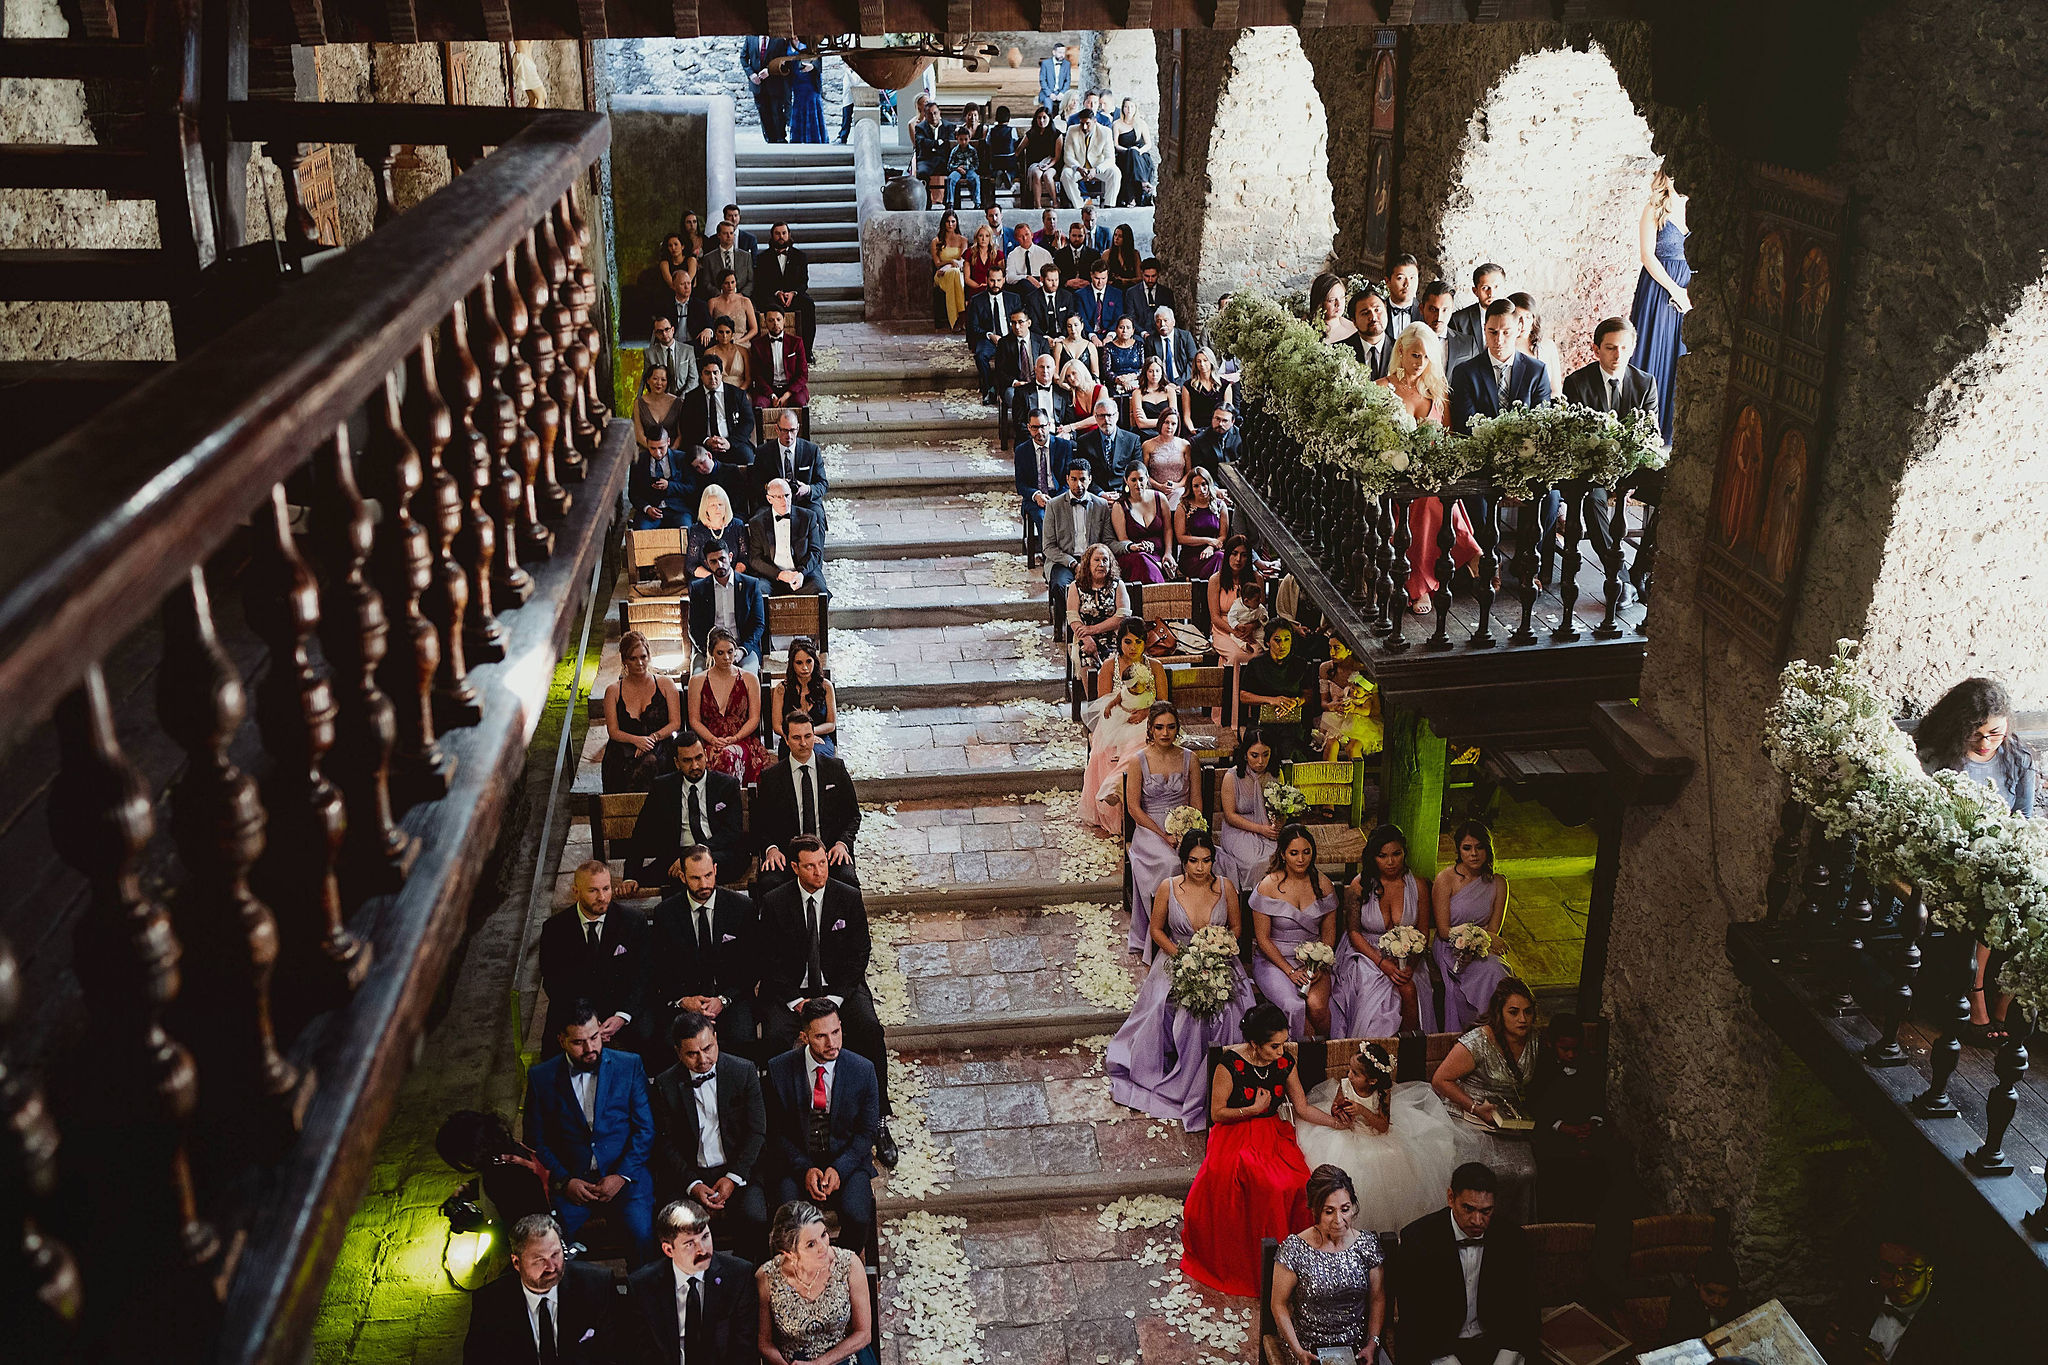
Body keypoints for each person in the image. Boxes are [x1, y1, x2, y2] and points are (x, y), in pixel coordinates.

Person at [1180, 1003, 1345, 1297]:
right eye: (1273, 1047)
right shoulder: (1229, 1065)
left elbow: (1302, 1108)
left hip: (1272, 1133)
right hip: (1235, 1133)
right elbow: (1217, 1113)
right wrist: (1252, 1109)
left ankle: (1293, 1265)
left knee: (1297, 1183)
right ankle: (1258, 1265)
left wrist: (1336, 1124)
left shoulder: (1284, 1063)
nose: (1280, 1052)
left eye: (1283, 1045)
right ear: (1254, 1044)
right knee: (1263, 1184)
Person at [1915, 676, 2038, 1043]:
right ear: (1959, 728)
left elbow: (2024, 820)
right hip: (1955, 856)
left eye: (1995, 734)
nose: (1986, 744)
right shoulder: (1937, 759)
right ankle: (1978, 992)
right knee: (1993, 891)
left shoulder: (2018, 758)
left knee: (2030, 893)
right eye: (1976, 734)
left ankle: (2009, 996)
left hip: (2004, 852)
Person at [1109, 830, 1256, 1125]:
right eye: (1193, 861)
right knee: (1185, 1009)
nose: (1200, 868)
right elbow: (1156, 930)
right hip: (1178, 958)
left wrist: (1219, 947)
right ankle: (1183, 1077)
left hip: (1219, 958)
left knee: (1229, 1009)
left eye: (1206, 861)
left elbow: (1237, 928)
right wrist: (1182, 957)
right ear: (1183, 861)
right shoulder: (1168, 887)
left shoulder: (1226, 888)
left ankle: (1223, 1077)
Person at [525, 1002, 657, 1264]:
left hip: (626, 1178)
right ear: (561, 1040)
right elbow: (535, 1140)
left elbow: (645, 1129)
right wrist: (565, 1181)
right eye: (579, 1042)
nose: (590, 1049)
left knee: (643, 1235)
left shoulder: (629, 1065)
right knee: (553, 1244)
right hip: (573, 1184)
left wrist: (621, 1175)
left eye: (594, 1038)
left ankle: (641, 1298)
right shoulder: (541, 1078)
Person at [1297, 1043, 1460, 1236]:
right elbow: (1335, 1106)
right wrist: (1340, 1113)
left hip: (1374, 1135)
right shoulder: (1345, 1085)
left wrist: (1361, 1110)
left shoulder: (1383, 1093)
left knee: (1388, 1168)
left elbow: (1383, 1126)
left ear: (1372, 1081)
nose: (1349, 1075)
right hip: (1348, 1133)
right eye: (1350, 1070)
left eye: (1355, 1073)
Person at [762, 1002, 882, 1253]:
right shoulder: (779, 1070)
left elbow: (866, 1132)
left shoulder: (863, 1070)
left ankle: (840, 1266)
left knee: (858, 1216)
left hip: (846, 1160)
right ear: (804, 1036)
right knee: (788, 1219)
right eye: (821, 1036)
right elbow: (775, 1132)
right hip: (796, 1161)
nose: (832, 1043)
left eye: (836, 1032)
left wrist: (840, 1168)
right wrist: (804, 1168)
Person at [1390, 1162, 1539, 1365]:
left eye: (1486, 1211)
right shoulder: (1418, 1239)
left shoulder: (1513, 1239)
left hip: (1495, 1345)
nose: (1477, 1220)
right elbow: (1415, 1319)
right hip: (1436, 1348)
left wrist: (1505, 1360)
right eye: (1468, 1209)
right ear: (1451, 1198)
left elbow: (1525, 1310)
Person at [647, 1019, 769, 1261]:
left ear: (715, 1037)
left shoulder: (742, 1071)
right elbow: (665, 1143)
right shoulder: (665, 1083)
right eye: (692, 1054)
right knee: (674, 1225)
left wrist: (733, 1178)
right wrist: (693, 1185)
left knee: (755, 1217)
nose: (702, 1060)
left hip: (737, 1170)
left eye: (708, 1048)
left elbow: (756, 1132)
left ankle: (746, 1281)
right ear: (678, 1052)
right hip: (689, 1175)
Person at [1433, 978, 1541, 1221]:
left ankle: (1512, 1232)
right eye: (1513, 1012)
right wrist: (1474, 1107)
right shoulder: (1478, 1041)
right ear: (1499, 1013)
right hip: (1469, 1114)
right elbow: (1440, 1080)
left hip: (1506, 1117)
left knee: (1526, 1172)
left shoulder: (1534, 1039)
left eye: (1527, 1012)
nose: (1522, 1019)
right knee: (1484, 1176)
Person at [1566, 317, 1660, 588]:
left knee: (1669, 496)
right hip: (1592, 470)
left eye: (1623, 347)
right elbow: (1579, 440)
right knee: (1592, 501)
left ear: (1632, 348)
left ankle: (1639, 570)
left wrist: (1628, 479)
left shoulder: (1646, 383)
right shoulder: (1577, 383)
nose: (1618, 355)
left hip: (1634, 469)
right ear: (1596, 350)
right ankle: (1617, 574)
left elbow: (1648, 437)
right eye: (1610, 348)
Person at [1269, 1165, 1390, 1365]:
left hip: (1357, 1349)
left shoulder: (1366, 1245)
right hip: (1308, 1349)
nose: (1339, 1220)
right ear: (1315, 1211)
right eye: (1329, 1211)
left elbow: (1378, 1298)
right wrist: (1297, 1350)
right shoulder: (1294, 1248)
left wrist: (1372, 1343)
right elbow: (1278, 1304)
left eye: (1345, 1209)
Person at [644, 847, 758, 1055]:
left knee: (743, 1040)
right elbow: (659, 968)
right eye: (695, 878)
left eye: (708, 875)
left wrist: (723, 1000)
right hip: (687, 1000)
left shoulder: (742, 907)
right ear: (682, 877)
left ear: (715, 869)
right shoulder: (666, 913)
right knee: (669, 1045)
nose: (704, 884)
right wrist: (683, 1000)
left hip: (730, 997)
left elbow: (751, 965)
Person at [462, 1212, 615, 1365]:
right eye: (539, 1259)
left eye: (555, 1254)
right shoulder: (490, 1302)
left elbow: (617, 1351)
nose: (551, 1267)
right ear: (516, 1262)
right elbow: (477, 1358)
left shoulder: (596, 1284)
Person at [621, 1198, 761, 1365]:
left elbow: (744, 1351)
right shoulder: (642, 1286)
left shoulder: (739, 1276)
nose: (702, 1249)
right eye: (689, 1244)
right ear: (668, 1250)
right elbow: (640, 1353)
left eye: (705, 1237)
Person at [1331, 824, 1436, 1038]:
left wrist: (1410, 965)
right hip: (1365, 952)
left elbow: (1423, 933)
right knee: (1376, 1000)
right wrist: (1383, 964)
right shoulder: (1359, 885)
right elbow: (1353, 933)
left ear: (1404, 853)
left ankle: (1410, 1048)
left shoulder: (1418, 886)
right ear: (1373, 857)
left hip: (1408, 955)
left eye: (1396, 854)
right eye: (1382, 856)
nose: (1390, 862)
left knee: (1410, 988)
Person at [1117, 702, 1201, 955]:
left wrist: (1188, 831)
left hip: (1185, 827)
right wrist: (1163, 834)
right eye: (1159, 727)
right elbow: (1133, 808)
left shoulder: (1190, 759)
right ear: (1150, 730)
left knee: (1204, 860)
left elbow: (1196, 803)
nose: (1165, 733)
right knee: (1170, 864)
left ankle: (1194, 928)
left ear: (1178, 729)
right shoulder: (1138, 761)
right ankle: (1163, 933)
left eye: (1171, 727)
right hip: (1149, 829)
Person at [538, 862, 648, 1053]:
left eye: (606, 888)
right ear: (576, 892)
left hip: (621, 1009)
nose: (602, 897)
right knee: (552, 1049)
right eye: (593, 890)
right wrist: (586, 1021)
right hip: (578, 1011)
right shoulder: (555, 929)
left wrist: (622, 1016)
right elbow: (554, 983)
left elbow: (644, 975)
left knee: (648, 1039)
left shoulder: (633, 921)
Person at [756, 1198, 879, 1365]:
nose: (823, 1247)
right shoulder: (767, 1277)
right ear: (790, 1253)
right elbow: (765, 1342)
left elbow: (863, 1334)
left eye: (824, 1234)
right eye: (811, 1244)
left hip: (844, 1358)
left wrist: (818, 1364)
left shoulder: (849, 1265)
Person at [1248, 824, 1340, 1039]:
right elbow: (1263, 939)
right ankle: (1298, 1059)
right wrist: (1290, 971)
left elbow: (1328, 936)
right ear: (1283, 854)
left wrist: (1319, 965)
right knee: (1294, 1006)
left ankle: (1326, 1050)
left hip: (1313, 961)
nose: (1301, 859)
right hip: (1274, 962)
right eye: (1294, 853)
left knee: (1316, 1006)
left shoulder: (1324, 885)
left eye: (1306, 852)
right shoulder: (1268, 886)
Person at [751, 712, 862, 892]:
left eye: (808, 736)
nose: (803, 743)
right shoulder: (771, 777)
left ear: (814, 736)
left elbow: (853, 815)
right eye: (796, 738)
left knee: (847, 881)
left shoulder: (836, 769)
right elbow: (759, 823)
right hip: (788, 855)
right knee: (769, 884)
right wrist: (771, 849)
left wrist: (842, 844)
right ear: (786, 740)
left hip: (828, 852)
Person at [625, 736, 747, 893]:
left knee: (697, 872)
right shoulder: (663, 788)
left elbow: (732, 831)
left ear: (705, 755)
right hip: (676, 855)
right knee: (673, 876)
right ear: (677, 763)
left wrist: (694, 855)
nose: (695, 765)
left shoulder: (727, 785)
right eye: (687, 760)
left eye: (698, 758)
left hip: (716, 853)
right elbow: (642, 833)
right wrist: (629, 876)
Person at [1080, 620, 1168, 834]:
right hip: (1117, 720)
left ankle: (1115, 785)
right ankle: (1115, 808)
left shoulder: (1155, 667)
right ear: (1119, 642)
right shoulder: (1111, 666)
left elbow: (1165, 702)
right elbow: (1104, 702)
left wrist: (1147, 712)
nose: (1133, 647)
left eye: (1138, 642)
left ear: (1145, 643)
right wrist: (1123, 712)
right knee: (1106, 749)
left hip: (1149, 718)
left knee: (1141, 745)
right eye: (1127, 642)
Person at [1527, 1014, 1611, 1223]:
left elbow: (1597, 1100)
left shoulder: (1590, 1065)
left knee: (1601, 1162)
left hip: (1585, 1128)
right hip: (1553, 1132)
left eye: (1575, 1049)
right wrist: (1563, 1127)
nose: (1571, 1054)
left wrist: (1591, 1123)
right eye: (1565, 1049)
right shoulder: (1543, 1068)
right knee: (1557, 1169)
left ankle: (1590, 1218)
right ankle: (1557, 1219)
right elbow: (1537, 1106)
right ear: (1551, 1044)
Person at [1433, 820, 1513, 1035]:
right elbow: (1442, 930)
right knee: (1479, 974)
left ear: (1488, 849)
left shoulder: (1498, 883)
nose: (1474, 854)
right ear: (1459, 850)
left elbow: (1493, 933)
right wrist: (1477, 934)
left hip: (1482, 947)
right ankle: (1479, 1029)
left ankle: (1499, 1029)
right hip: (1449, 947)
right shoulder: (1446, 878)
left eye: (1480, 847)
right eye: (1467, 848)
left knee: (1497, 970)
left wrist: (1481, 939)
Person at [1630, 169, 1692, 444]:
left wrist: (1691, 293)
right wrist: (1676, 290)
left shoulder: (1698, 206)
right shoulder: (1653, 209)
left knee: (1681, 353)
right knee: (1656, 349)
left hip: (1690, 291)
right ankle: (1645, 428)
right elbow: (1647, 255)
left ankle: (1672, 429)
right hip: (1659, 290)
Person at [436, 1109, 551, 1233]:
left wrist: (477, 1225)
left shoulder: (500, 1175)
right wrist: (466, 1189)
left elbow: (522, 1230)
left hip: (542, 1237)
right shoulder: (506, 1154)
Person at [1449, 299, 1554, 435]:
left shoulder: (1537, 372)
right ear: (1484, 328)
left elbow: (1542, 422)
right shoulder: (1464, 373)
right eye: (1493, 332)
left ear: (1518, 329)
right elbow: (1465, 426)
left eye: (1506, 332)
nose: (1498, 340)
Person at [687, 623, 772, 781]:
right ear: (712, 653)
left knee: (728, 755)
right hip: (709, 740)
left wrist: (735, 738)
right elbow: (694, 720)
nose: (726, 658)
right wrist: (712, 739)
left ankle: (728, 801)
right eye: (720, 653)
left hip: (742, 740)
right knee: (717, 757)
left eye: (730, 652)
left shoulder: (749, 679)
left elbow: (754, 718)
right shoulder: (697, 681)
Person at [601, 631, 682, 794]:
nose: (639, 663)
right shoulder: (613, 691)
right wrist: (636, 740)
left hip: (659, 743)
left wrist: (652, 738)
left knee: (652, 761)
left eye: (643, 657)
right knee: (621, 766)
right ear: (624, 660)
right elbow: (613, 731)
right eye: (633, 658)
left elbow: (676, 723)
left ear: (649, 657)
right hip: (625, 746)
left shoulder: (666, 684)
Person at [680, 355, 757, 503]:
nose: (712, 377)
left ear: (721, 374)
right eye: (707, 373)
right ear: (701, 375)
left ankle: (748, 504)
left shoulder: (737, 394)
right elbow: (686, 427)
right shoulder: (692, 398)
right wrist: (706, 440)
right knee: (690, 462)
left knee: (748, 459)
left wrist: (730, 442)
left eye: (715, 372)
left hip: (733, 443)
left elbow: (748, 423)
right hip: (704, 446)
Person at [1238, 620, 1312, 759]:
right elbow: (1244, 696)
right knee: (1264, 746)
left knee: (1290, 749)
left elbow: (1308, 695)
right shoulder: (1256, 664)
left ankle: (1288, 779)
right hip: (1262, 722)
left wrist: (1295, 702)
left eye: (1286, 639)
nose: (1282, 645)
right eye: (1277, 640)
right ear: (1268, 642)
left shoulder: (1300, 664)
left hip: (1291, 721)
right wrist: (1272, 700)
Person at [1044, 459, 1118, 596]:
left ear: (1090, 479)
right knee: (1059, 586)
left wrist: (1128, 546)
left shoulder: (1101, 505)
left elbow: (1108, 541)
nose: (1078, 484)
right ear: (1067, 479)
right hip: (1064, 561)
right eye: (1074, 479)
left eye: (1083, 479)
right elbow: (1048, 547)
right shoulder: (1053, 506)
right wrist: (1073, 564)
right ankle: (1064, 618)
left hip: (1094, 561)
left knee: (1112, 585)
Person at [747, 477, 826, 599]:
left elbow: (816, 552)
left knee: (819, 590)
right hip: (772, 576)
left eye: (787, 495)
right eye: (779, 497)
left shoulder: (808, 517)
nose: (785, 500)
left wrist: (801, 573)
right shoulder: (757, 523)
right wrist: (779, 574)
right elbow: (755, 559)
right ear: (769, 499)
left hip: (802, 574)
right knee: (759, 593)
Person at [689, 550, 768, 669]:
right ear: (707, 563)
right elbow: (694, 627)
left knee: (748, 677)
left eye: (722, 559)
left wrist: (742, 650)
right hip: (709, 650)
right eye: (713, 561)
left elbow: (758, 625)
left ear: (730, 557)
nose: (719, 565)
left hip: (742, 647)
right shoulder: (699, 588)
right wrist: (710, 652)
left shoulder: (750, 585)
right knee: (697, 677)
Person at [758, 408, 829, 528]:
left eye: (792, 430)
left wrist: (807, 489)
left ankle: (816, 547)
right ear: (777, 429)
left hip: (804, 501)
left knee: (817, 516)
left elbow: (823, 484)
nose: (789, 436)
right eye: (785, 431)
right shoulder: (764, 452)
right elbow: (755, 484)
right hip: (775, 501)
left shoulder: (811, 451)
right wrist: (774, 488)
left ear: (798, 428)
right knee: (758, 520)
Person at [1065, 543, 1129, 673]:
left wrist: (1092, 630)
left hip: (1114, 636)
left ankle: (1114, 693)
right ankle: (1093, 694)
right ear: (1088, 564)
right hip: (1085, 637)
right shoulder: (1075, 587)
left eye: (1105, 560)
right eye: (1097, 560)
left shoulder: (1118, 585)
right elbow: (1073, 617)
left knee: (1118, 660)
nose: (1101, 564)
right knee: (1086, 654)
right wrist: (1086, 637)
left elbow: (1122, 617)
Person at [1315, 639, 1382, 760]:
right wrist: (1333, 705)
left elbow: (1375, 710)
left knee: (1353, 747)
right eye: (1330, 647)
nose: (1332, 653)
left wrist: (1355, 708)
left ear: (1349, 650)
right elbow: (1324, 703)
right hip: (1337, 720)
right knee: (1331, 744)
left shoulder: (1364, 673)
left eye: (1337, 648)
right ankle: (1330, 778)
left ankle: (1356, 778)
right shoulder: (1325, 668)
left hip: (1361, 723)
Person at [753, 221, 815, 351]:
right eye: (777, 234)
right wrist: (777, 293)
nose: (781, 236)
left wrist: (793, 293)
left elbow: (804, 281)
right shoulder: (762, 258)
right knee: (759, 303)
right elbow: (761, 284)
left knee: (808, 305)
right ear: (772, 236)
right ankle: (765, 350)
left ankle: (807, 350)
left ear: (789, 235)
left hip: (794, 296)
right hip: (772, 296)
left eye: (784, 233)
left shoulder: (800, 256)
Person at [771, 636, 837, 756]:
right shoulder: (781, 689)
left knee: (816, 755)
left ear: (814, 661)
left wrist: (809, 734)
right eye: (799, 663)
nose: (805, 668)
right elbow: (776, 725)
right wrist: (796, 737)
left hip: (819, 738)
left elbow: (831, 724)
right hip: (790, 739)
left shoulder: (826, 686)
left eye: (808, 661)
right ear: (792, 664)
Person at [1661, 1249, 1742, 1345]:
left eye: (1724, 1295)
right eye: (1710, 1292)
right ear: (1696, 1284)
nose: (1716, 1300)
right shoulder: (1682, 1302)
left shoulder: (1737, 1302)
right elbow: (1679, 1340)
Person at [1016, 408, 1075, 536]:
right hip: (1035, 498)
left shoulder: (1064, 446)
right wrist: (1036, 495)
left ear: (1049, 425)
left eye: (1042, 427)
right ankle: (1049, 554)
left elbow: (1069, 479)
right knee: (1043, 517)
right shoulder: (1021, 451)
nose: (1039, 432)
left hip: (1059, 495)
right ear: (1028, 427)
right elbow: (1020, 485)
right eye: (1034, 428)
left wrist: (1056, 500)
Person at [1112, 462, 1174, 585]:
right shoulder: (1119, 506)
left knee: (1148, 564)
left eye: (1141, 479)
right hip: (1134, 556)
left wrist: (1168, 553)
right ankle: (1159, 592)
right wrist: (1137, 546)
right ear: (1126, 481)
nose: (1138, 484)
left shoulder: (1160, 498)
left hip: (1159, 555)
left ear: (1147, 478)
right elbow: (1123, 539)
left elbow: (1168, 529)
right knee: (1142, 560)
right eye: (1133, 480)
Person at [631, 426, 694, 531]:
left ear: (668, 442)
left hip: (678, 510)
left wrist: (670, 486)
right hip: (650, 512)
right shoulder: (638, 461)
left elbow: (691, 488)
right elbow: (633, 493)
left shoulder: (682, 458)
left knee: (686, 532)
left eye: (661, 448)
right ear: (647, 443)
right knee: (640, 532)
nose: (658, 453)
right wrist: (647, 508)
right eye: (653, 448)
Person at [1075, 394, 1143, 493]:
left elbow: (1137, 472)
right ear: (1096, 417)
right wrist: (1100, 494)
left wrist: (1123, 493)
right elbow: (1082, 474)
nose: (1106, 420)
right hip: (1096, 496)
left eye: (1109, 415)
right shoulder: (1084, 442)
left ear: (1117, 415)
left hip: (1125, 493)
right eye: (1102, 416)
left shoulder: (1132, 440)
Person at [968, 275, 1019, 402]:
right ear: (986, 280)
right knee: (981, 356)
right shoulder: (977, 300)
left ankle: (1010, 387)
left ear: (1004, 280)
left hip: (1010, 337)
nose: (995, 284)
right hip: (988, 338)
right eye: (992, 280)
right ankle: (989, 389)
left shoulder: (1014, 298)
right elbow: (973, 326)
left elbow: (1021, 319)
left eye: (998, 280)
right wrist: (990, 335)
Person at [1001, 326, 1057, 439]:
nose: (1045, 371)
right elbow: (1019, 424)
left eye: (1048, 367)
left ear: (1054, 369)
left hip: (1057, 437)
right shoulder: (1022, 393)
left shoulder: (1062, 393)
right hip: (1032, 437)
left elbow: (1069, 423)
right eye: (1041, 367)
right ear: (1035, 369)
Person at [685, 483, 750, 580]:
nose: (717, 508)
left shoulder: (737, 526)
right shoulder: (697, 530)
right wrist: (715, 579)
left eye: (720, 504)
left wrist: (730, 578)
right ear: (705, 508)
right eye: (712, 505)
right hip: (706, 579)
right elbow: (692, 565)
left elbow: (744, 558)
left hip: (734, 576)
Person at [1059, 107, 1120, 208]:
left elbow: (1110, 158)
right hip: (1079, 167)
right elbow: (1068, 156)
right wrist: (1078, 168)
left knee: (1115, 173)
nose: (1084, 127)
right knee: (1066, 174)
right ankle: (1079, 206)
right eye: (1081, 123)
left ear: (1094, 121)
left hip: (1097, 167)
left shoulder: (1105, 132)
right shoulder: (1072, 130)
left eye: (1088, 123)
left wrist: (1096, 170)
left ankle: (1109, 206)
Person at [749, 308, 809, 411]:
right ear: (765, 323)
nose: (775, 323)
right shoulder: (757, 345)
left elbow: (803, 374)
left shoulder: (796, 342)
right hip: (768, 389)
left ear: (784, 320)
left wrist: (787, 394)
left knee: (799, 402)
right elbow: (757, 375)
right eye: (771, 320)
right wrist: (772, 395)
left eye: (778, 319)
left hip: (791, 388)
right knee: (758, 405)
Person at [1174, 464, 1227, 578]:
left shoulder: (1220, 506)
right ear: (1191, 488)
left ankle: (1206, 589)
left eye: (1204, 484)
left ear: (1209, 484)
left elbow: (1222, 536)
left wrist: (1211, 547)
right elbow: (1181, 538)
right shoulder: (1183, 507)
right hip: (1191, 556)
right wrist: (1208, 540)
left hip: (1214, 552)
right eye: (1196, 486)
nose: (1201, 490)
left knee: (1220, 558)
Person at [1422, 277, 1479, 375]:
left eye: (1445, 310)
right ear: (1421, 309)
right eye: (1433, 309)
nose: (1439, 316)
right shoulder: (1409, 340)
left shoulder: (1468, 344)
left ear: (1452, 309)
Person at [1448, 262, 1505, 350]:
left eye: (1496, 287)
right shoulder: (1458, 321)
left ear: (1504, 287)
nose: (1491, 294)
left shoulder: (1514, 318)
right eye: (1485, 288)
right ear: (1475, 291)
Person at [743, 37, 790, 142]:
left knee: (777, 112)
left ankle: (780, 139)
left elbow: (785, 60)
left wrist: (770, 70)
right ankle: (770, 139)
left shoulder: (779, 40)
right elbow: (743, 58)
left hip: (774, 84)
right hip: (757, 85)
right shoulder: (750, 38)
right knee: (763, 113)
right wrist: (751, 74)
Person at [1111, 98, 1157, 205]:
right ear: (1122, 109)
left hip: (1141, 155)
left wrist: (1139, 151)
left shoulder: (1141, 123)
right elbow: (1116, 144)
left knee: (1134, 154)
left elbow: (1148, 144)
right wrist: (1129, 151)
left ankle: (1131, 198)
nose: (1129, 110)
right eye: (1126, 107)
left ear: (1135, 109)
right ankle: (1144, 182)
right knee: (1131, 154)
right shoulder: (1117, 124)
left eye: (1131, 107)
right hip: (1124, 154)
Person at [1340, 290, 1393, 379]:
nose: (1373, 317)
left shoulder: (1401, 350)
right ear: (1354, 322)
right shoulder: (1341, 352)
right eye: (1365, 313)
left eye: (1377, 310)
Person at [1180, 348, 1236, 433]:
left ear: (1211, 362)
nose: (1202, 364)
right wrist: (1193, 430)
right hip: (1197, 430)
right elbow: (1186, 416)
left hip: (1219, 429)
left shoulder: (1225, 385)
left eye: (1205, 360)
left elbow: (1228, 414)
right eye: (1199, 361)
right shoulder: (1188, 386)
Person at [698, 222, 754, 306]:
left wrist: (741, 295)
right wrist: (719, 295)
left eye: (731, 233)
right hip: (718, 301)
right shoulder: (709, 258)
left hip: (742, 301)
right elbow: (706, 282)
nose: (729, 236)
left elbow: (751, 281)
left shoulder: (746, 256)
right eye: (725, 233)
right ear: (719, 235)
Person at [930, 208, 969, 328]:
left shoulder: (963, 240)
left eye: (953, 221)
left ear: (957, 222)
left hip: (957, 273)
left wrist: (953, 265)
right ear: (943, 223)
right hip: (941, 274)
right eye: (948, 222)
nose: (950, 224)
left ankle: (955, 321)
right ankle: (962, 314)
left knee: (955, 274)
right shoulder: (936, 241)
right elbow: (937, 263)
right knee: (954, 273)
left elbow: (963, 260)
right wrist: (951, 262)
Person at [635, 363, 685, 454]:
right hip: (646, 451)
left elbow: (680, 435)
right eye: (655, 379)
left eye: (663, 380)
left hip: (673, 451)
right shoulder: (639, 402)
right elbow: (639, 434)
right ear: (648, 380)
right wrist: (655, 450)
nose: (659, 383)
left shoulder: (678, 402)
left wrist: (669, 452)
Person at [783, 40, 826, 143]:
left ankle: (813, 138)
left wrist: (812, 66)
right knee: (798, 106)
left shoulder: (808, 41)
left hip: (809, 81)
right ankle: (799, 138)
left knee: (811, 105)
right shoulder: (785, 44)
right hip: (796, 82)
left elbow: (818, 57)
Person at [1018, 106, 1061, 209]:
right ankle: (1037, 204)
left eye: (1044, 117)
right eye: (1039, 118)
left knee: (1047, 175)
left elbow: (1057, 157)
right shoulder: (1031, 133)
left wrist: (1047, 166)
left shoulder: (1057, 134)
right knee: (1037, 173)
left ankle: (1055, 202)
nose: (1041, 121)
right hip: (1035, 164)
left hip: (1051, 164)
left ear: (1049, 118)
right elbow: (1019, 149)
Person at [645, 315, 697, 400]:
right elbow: (648, 380)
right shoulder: (649, 353)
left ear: (672, 330)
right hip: (661, 400)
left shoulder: (688, 350)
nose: (664, 334)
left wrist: (682, 398)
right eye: (660, 331)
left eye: (667, 329)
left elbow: (694, 379)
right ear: (655, 334)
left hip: (685, 399)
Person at [1144, 305, 1198, 388]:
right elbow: (1150, 365)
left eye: (1165, 320)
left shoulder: (1185, 336)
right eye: (1159, 321)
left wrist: (1181, 383)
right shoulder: (1151, 340)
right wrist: (1164, 384)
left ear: (1173, 322)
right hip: (1160, 383)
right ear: (1155, 324)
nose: (1162, 324)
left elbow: (1193, 361)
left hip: (1183, 380)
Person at [1072, 262, 1123, 342]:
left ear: (1107, 275)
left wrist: (1110, 336)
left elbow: (1118, 318)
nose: (1100, 282)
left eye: (1103, 278)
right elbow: (1082, 319)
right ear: (1091, 275)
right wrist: (1092, 336)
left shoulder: (1116, 294)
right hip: (1087, 335)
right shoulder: (1080, 295)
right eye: (1097, 278)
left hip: (1111, 335)